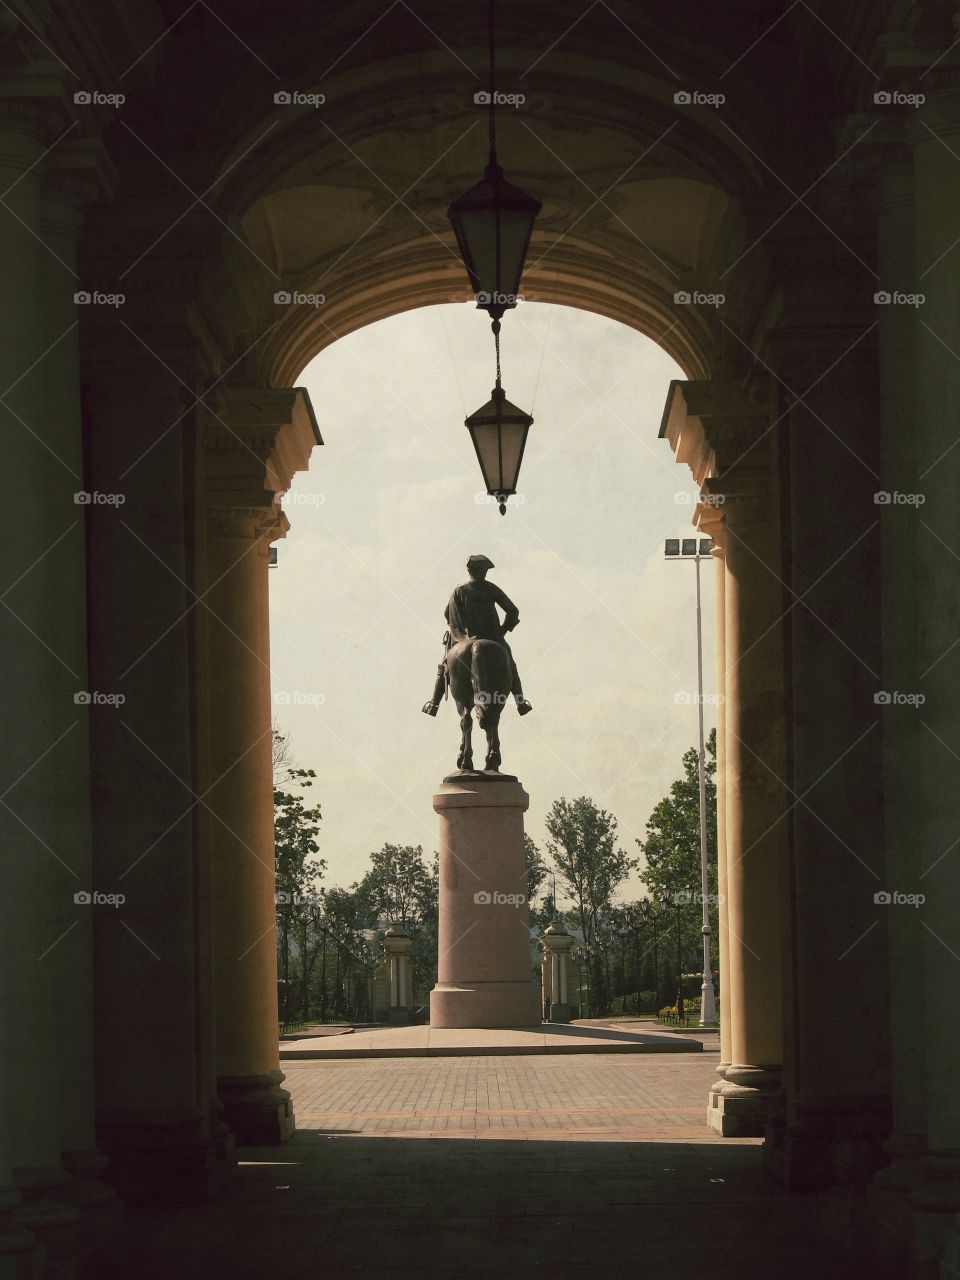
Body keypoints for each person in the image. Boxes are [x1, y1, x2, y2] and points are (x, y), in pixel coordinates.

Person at [421, 554, 533, 716]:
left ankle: (433, 704)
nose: (486, 573)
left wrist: (459, 633)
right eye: (485, 570)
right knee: (509, 663)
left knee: (445, 665)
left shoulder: (458, 591)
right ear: (482, 572)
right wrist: (502, 631)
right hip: (492, 637)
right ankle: (521, 703)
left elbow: (447, 615)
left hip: (463, 639)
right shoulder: (491, 588)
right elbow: (513, 612)